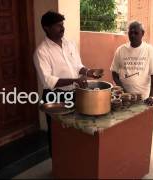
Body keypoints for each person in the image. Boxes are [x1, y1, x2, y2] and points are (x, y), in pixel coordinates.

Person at [33, 11, 103, 157]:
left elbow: (78, 66)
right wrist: (74, 80)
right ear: (46, 28)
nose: (62, 28)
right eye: (58, 26)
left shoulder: (69, 44)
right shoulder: (41, 52)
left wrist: (89, 72)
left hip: (73, 94)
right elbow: (48, 80)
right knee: (58, 133)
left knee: (75, 129)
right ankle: (59, 165)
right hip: (55, 98)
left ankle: (73, 162)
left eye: (62, 25)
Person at [110, 21, 153, 106]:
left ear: (142, 33)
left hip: (143, 98)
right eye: (131, 32)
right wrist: (123, 90)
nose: (133, 35)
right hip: (124, 98)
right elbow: (114, 72)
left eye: (136, 33)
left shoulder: (149, 50)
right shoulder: (121, 50)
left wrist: (151, 96)